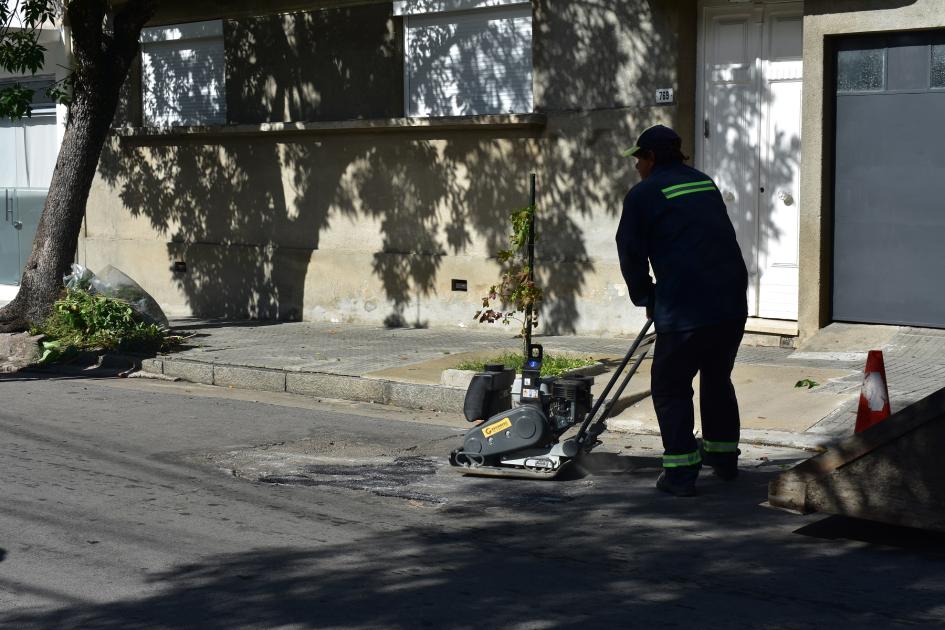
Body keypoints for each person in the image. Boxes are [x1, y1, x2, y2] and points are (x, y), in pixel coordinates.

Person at [615, 124, 748, 497]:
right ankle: (723, 460)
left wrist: (646, 298)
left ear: (652, 157)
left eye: (638, 158)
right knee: (717, 379)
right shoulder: (704, 183)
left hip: (686, 307)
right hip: (730, 303)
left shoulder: (643, 194)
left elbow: (630, 254)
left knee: (671, 387)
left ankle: (680, 472)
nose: (637, 165)